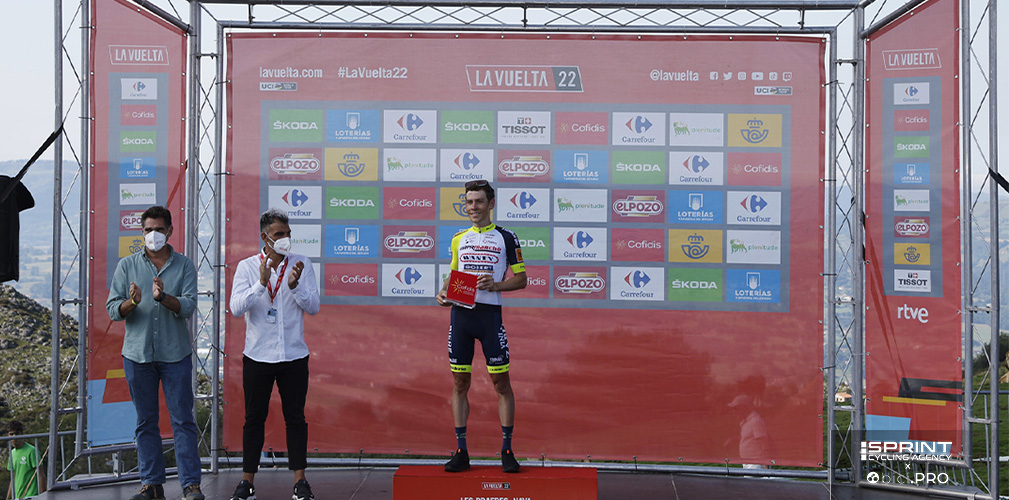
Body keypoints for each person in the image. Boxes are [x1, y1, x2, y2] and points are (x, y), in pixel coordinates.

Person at [105, 206, 203, 500]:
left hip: (176, 355)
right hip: (137, 356)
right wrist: (132, 302)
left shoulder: (184, 265)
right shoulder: (127, 266)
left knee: (183, 420)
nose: (153, 235)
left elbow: (187, 306)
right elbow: (113, 310)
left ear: (170, 231)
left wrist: (163, 298)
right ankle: (151, 485)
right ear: (142, 232)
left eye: (159, 229)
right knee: (145, 421)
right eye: (148, 230)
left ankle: (191, 485)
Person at [435, 180, 527, 473]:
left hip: (490, 318)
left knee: (501, 384)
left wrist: (497, 284)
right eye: (468, 202)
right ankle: (462, 451)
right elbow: (452, 278)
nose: (472, 207)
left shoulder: (506, 237)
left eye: (478, 201)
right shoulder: (459, 238)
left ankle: (507, 451)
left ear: (491, 203)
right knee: (460, 383)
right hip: (461, 316)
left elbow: (522, 279)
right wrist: (443, 293)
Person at [228, 208, 320, 500]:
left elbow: (314, 306)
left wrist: (294, 287)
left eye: (288, 234)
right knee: (254, 418)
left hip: (293, 355)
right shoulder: (246, 267)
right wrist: (260, 282)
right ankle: (247, 483)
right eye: (279, 234)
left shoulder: (301, 264)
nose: (286, 239)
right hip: (258, 356)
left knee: (295, 418)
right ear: (264, 237)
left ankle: (300, 482)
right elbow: (236, 308)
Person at [6, 420, 44, 499]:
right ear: (8, 435)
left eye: (17, 433)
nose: (14, 437)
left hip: (31, 496)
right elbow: (12, 479)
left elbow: (40, 474)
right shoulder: (12, 453)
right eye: (11, 434)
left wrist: (44, 496)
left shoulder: (31, 451)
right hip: (17, 497)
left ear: (22, 434)